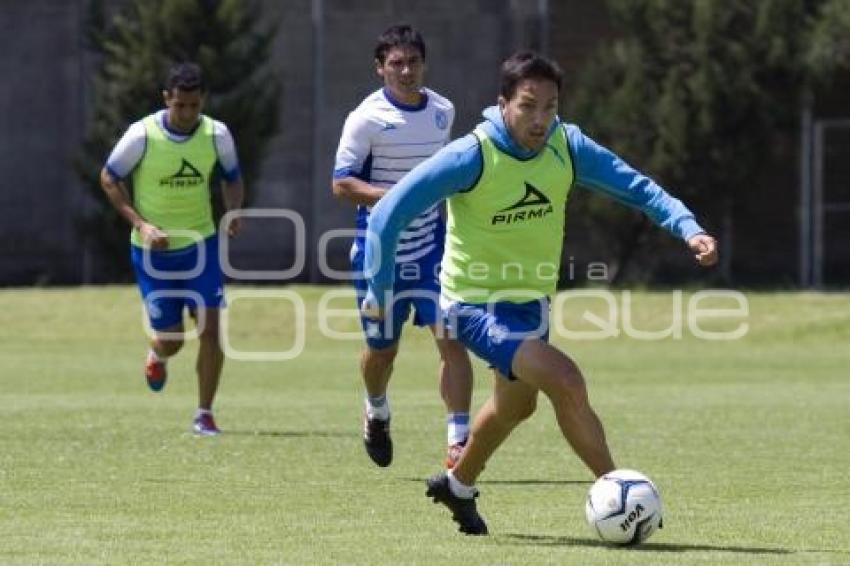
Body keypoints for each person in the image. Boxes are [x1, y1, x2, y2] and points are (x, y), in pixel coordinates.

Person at [361, 51, 718, 535]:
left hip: (531, 304)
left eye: (550, 107)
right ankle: (622, 498)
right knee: (565, 378)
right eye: (528, 106)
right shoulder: (473, 155)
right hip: (472, 305)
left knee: (516, 406)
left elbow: (636, 187)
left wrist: (687, 226)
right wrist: (380, 293)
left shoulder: (566, 146)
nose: (540, 119)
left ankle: (458, 485)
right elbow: (387, 215)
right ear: (503, 103)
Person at [332, 24, 474, 468]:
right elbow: (341, 184)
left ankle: (459, 439)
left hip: (433, 250)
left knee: (451, 337)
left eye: (413, 61)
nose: (406, 70)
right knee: (383, 351)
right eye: (396, 63)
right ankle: (376, 409)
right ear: (380, 69)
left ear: (424, 64)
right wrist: (390, 197)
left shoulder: (442, 111)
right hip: (380, 255)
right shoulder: (366, 118)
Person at [99, 62, 244, 436]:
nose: (187, 114)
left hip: (201, 247)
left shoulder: (217, 134)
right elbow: (109, 176)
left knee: (211, 330)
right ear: (167, 99)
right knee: (172, 339)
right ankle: (158, 354)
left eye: (194, 106)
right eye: (180, 105)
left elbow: (232, 177)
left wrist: (235, 211)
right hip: (153, 255)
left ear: (203, 101)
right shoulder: (142, 135)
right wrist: (141, 224)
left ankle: (204, 413)